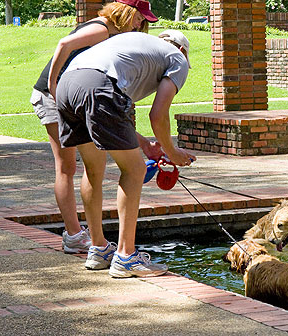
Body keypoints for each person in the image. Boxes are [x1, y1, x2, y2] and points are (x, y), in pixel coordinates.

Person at [55, 30, 196, 278]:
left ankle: (98, 249)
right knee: (135, 170)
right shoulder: (177, 59)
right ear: (182, 50)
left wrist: (145, 146)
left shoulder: (137, 49)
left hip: (67, 85)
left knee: (93, 168)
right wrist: (173, 152)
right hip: (98, 85)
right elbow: (158, 115)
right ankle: (126, 256)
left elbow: (115, 116)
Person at [30, 0, 158, 254]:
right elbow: (63, 45)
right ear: (126, 11)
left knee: (92, 165)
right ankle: (74, 234)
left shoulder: (115, 34)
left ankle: (92, 239)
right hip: (53, 95)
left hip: (74, 94)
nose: (141, 22)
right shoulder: (102, 28)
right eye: (139, 16)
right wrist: (53, 84)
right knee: (66, 166)